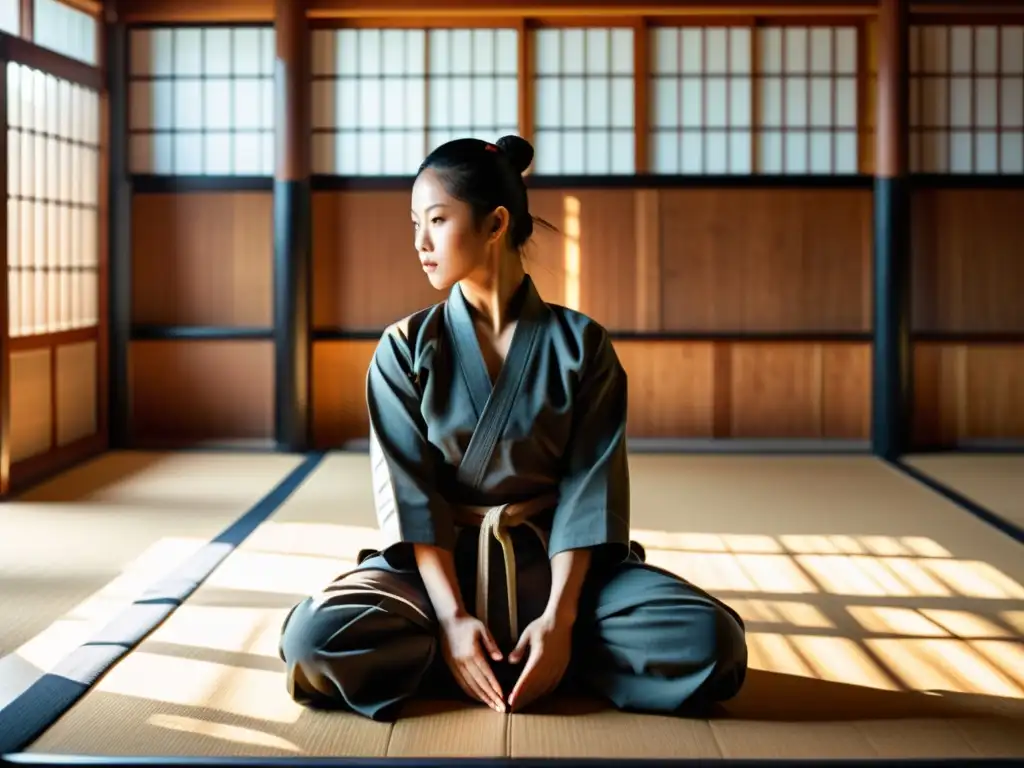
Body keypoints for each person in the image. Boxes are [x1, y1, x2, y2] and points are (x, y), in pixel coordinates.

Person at [278, 135, 748, 721]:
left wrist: (561, 617)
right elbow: (412, 499)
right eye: (415, 223)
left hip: (560, 571)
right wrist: (450, 617)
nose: (421, 243)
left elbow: (589, 493)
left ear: (495, 223)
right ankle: (468, 648)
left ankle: (543, 648)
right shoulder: (404, 347)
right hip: (434, 581)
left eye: (438, 220)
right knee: (312, 637)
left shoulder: (582, 346)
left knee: (712, 643)